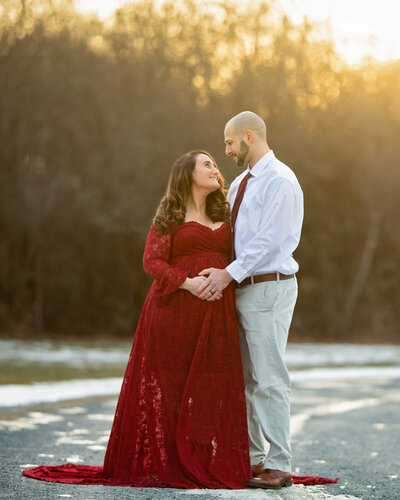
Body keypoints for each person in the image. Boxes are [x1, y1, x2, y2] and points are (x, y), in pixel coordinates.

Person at [22, 150, 252, 488]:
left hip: (215, 314)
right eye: (206, 164)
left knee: (210, 388)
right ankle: (170, 463)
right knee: (171, 389)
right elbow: (152, 262)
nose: (215, 169)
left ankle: (202, 461)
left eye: (215, 164)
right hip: (173, 312)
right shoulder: (170, 213)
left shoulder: (228, 213)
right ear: (187, 174)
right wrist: (188, 283)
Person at [197, 111, 303, 489]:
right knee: (245, 377)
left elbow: (270, 241)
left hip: (269, 287)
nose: (226, 151)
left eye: (229, 143)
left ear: (248, 137)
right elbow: (228, 238)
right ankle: (255, 458)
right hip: (240, 289)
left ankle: (279, 462)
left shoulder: (280, 180)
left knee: (269, 376)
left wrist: (228, 273)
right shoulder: (242, 182)